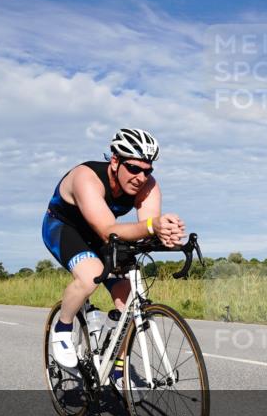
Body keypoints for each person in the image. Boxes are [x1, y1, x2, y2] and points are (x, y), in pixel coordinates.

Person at [42, 128, 185, 368]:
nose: (141, 177)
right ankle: (63, 327)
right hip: (65, 228)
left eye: (147, 170)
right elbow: (111, 228)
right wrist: (153, 226)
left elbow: (145, 229)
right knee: (90, 277)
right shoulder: (85, 177)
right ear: (115, 161)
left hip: (104, 234)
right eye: (134, 168)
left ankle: (117, 367)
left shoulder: (147, 186)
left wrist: (167, 235)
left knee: (132, 297)